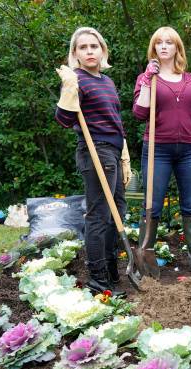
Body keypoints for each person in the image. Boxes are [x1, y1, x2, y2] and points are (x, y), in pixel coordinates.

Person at [55, 27, 131, 295]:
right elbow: (64, 120)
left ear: (103, 50)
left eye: (94, 46)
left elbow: (116, 121)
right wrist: (68, 90)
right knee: (100, 215)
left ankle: (112, 273)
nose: (89, 51)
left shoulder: (106, 81)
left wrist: (124, 154)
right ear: (75, 53)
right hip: (95, 150)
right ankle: (98, 280)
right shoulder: (77, 80)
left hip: (113, 151)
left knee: (117, 212)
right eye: (83, 47)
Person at [132, 26, 191, 275]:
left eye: (169, 42)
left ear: (177, 47)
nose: (164, 46)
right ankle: (144, 258)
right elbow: (139, 113)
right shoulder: (148, 78)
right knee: (152, 205)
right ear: (154, 48)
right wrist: (147, 80)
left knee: (190, 205)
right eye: (159, 42)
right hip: (158, 150)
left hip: (190, 150)